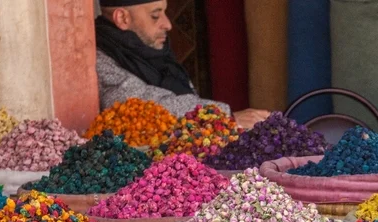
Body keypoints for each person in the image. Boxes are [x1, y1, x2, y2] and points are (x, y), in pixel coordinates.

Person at [95, 0, 270, 128]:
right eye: (155, 15)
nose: (168, 24)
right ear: (122, 18)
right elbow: (138, 104)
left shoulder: (155, 53)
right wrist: (224, 116)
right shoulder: (98, 59)